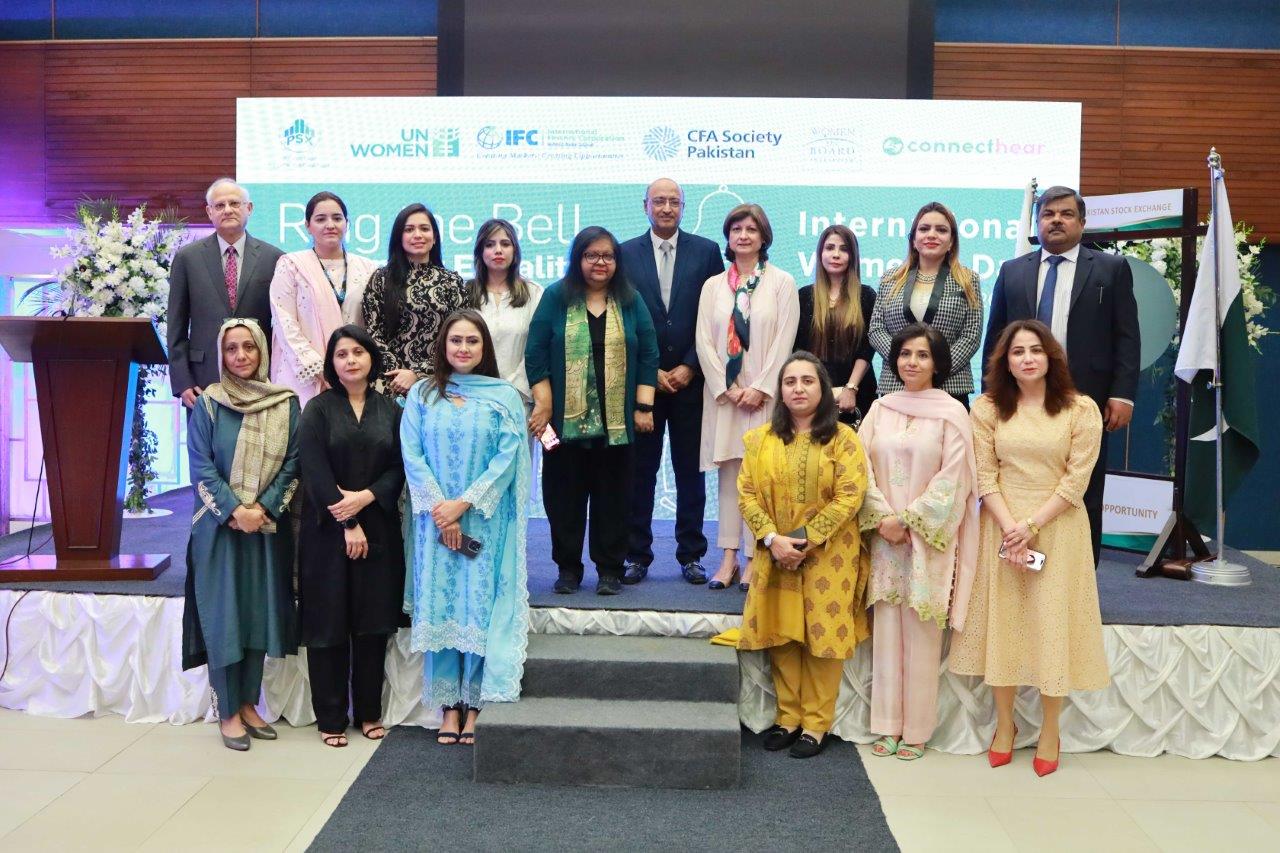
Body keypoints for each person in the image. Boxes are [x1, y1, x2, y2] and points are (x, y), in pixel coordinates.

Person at [950, 320, 1109, 778]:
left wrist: (1032, 525)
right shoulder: (987, 408)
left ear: (1051, 356)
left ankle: (1052, 730)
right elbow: (985, 475)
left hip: (1058, 526)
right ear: (1004, 361)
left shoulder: (1081, 410)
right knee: (1005, 622)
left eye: (1035, 350)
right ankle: (1005, 726)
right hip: (1001, 524)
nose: (1026, 358)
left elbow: (1077, 480)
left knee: (1049, 621)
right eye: (1017, 352)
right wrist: (1009, 527)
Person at [982, 185, 1140, 565]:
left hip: (1087, 399)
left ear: (1082, 223)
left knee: (1084, 489)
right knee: (1021, 486)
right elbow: (997, 338)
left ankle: (1081, 579)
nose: (1056, 220)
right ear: (1037, 223)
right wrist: (992, 393)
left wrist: (1123, 394)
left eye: (1066, 213)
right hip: (1022, 400)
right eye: (1048, 214)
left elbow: (1127, 335)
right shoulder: (1012, 271)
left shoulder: (1110, 269)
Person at [402, 310, 531, 745]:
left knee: (476, 606)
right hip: (433, 520)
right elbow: (412, 454)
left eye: (472, 341)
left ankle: (474, 704)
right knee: (442, 606)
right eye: (455, 340)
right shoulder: (422, 394)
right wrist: (442, 511)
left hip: (483, 518)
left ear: (485, 348)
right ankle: (447, 707)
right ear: (443, 345)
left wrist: (463, 505)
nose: (462, 348)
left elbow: (507, 457)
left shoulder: (504, 396)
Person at [737, 352, 870, 759]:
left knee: (822, 639)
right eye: (790, 381)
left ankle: (816, 724)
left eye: (807, 381)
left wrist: (805, 539)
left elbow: (851, 495)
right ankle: (787, 718)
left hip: (829, 553)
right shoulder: (759, 440)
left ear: (823, 388)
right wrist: (773, 538)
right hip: (775, 551)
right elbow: (745, 494)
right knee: (783, 633)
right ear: (780, 390)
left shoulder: (844, 439)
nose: (798, 388)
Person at [857, 324, 979, 761]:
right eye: (905, 354)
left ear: (938, 362)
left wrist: (910, 521)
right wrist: (884, 519)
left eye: (923, 355)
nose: (912, 362)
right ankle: (886, 725)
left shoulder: (952, 412)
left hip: (929, 539)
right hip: (885, 537)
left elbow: (956, 478)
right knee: (887, 630)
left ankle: (917, 730)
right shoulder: (879, 409)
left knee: (923, 634)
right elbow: (859, 469)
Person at [180, 318, 299, 751]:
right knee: (224, 617)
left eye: (249, 347)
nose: (242, 356)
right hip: (219, 530)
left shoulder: (284, 404)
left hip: (265, 527)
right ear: (222, 355)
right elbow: (201, 468)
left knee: (256, 616)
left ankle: (250, 703)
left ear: (262, 351)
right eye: (232, 349)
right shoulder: (209, 404)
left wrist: (262, 508)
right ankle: (228, 710)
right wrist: (235, 512)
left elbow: (292, 464)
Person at [525, 227, 659, 596]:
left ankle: (610, 569)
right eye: (591, 255)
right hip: (562, 424)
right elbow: (535, 353)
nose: (600, 262)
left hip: (618, 424)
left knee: (614, 498)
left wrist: (643, 406)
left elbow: (648, 351)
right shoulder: (556, 297)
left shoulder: (629, 299)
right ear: (578, 259)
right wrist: (545, 402)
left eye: (608, 256)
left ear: (617, 261)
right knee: (562, 497)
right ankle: (567, 569)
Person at [298, 325, 405, 748]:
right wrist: (347, 519)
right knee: (328, 623)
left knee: (371, 623)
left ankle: (368, 712)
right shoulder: (317, 409)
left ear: (371, 359)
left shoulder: (392, 410)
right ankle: (330, 716)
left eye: (358, 352)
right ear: (332, 363)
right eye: (341, 354)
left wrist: (365, 498)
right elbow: (313, 467)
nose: (350, 360)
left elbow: (400, 467)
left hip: (378, 526)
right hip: (328, 531)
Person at [620, 178, 725, 586]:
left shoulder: (707, 251)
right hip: (644, 384)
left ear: (684, 207)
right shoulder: (625, 254)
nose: (666, 208)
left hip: (690, 382)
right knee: (639, 472)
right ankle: (636, 555)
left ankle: (691, 554)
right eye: (659, 201)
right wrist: (648, 373)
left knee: (690, 473)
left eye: (674, 202)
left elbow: (718, 315)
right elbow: (621, 320)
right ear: (644, 204)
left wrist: (691, 365)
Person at [696, 203, 799, 590]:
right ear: (728, 237)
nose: (743, 235)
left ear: (763, 237)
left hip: (766, 398)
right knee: (730, 478)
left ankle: (757, 555)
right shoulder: (713, 286)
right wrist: (730, 389)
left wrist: (761, 388)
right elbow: (704, 341)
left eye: (751, 229)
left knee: (763, 478)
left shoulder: (782, 282)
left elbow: (785, 339)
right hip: (726, 398)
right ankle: (727, 559)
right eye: (736, 228)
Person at [168, 178, 283, 408]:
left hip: (259, 380)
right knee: (205, 444)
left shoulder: (275, 258)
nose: (228, 210)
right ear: (209, 212)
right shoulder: (187, 258)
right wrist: (182, 382)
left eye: (235, 203)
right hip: (203, 380)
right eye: (219, 205)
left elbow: (281, 327)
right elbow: (176, 326)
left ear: (249, 208)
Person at [868, 201, 983, 407]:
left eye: (941, 230)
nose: (931, 235)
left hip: (949, 387)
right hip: (896, 385)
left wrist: (935, 367)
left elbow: (971, 336)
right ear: (913, 240)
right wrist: (903, 363)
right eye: (924, 229)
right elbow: (876, 330)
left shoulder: (968, 280)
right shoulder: (890, 279)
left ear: (951, 241)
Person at [269, 192, 378, 406]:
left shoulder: (369, 269)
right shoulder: (291, 265)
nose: (330, 225)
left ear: (347, 223)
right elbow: (285, 323)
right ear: (308, 225)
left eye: (337, 218)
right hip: (304, 379)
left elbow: (373, 326)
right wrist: (323, 371)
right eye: (321, 219)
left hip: (355, 376)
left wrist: (350, 368)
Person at [363, 203, 466, 396]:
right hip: (389, 383)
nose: (417, 235)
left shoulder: (452, 282)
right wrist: (399, 375)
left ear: (434, 237)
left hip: (438, 381)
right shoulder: (381, 278)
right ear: (398, 238)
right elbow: (373, 333)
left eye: (424, 229)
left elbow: (459, 335)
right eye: (409, 229)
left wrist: (417, 373)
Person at [795, 224, 878, 425]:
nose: (836, 254)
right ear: (820, 253)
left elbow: (867, 348)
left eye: (844, 249)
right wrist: (815, 388)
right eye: (830, 248)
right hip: (813, 393)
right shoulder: (804, 295)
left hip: (857, 395)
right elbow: (798, 349)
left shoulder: (866, 295)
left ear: (853, 256)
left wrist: (851, 388)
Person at [465, 218, 544, 416]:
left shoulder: (534, 293)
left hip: (519, 399)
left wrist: (511, 390)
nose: (498, 250)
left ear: (515, 251)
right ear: (480, 252)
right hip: (471, 397)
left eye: (505, 244)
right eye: (489, 245)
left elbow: (537, 349)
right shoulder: (463, 291)